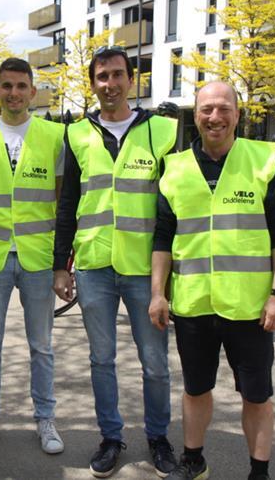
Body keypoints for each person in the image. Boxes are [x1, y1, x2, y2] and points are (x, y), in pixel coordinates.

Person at [150, 82, 275, 480]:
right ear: (194, 114)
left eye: (223, 108)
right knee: (195, 389)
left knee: (256, 395)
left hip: (250, 307)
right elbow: (163, 237)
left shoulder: (265, 161)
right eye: (206, 109)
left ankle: (258, 471)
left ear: (238, 112)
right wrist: (157, 294)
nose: (215, 117)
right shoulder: (175, 168)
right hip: (194, 303)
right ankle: (193, 460)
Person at [53, 46, 177, 478]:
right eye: (102, 76)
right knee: (101, 359)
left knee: (155, 361)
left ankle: (158, 438)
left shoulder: (162, 130)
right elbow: (67, 202)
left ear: (131, 80)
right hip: (93, 264)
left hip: (146, 269)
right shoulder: (76, 134)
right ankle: (111, 437)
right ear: (93, 83)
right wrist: (60, 265)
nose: (110, 84)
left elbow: (175, 202)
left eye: (117, 75)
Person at [0, 58, 65, 455]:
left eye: (22, 86)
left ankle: (45, 419)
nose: (14, 93)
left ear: (32, 91)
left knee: (42, 345)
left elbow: (60, 196)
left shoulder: (55, 136)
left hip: (37, 256)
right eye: (7, 86)